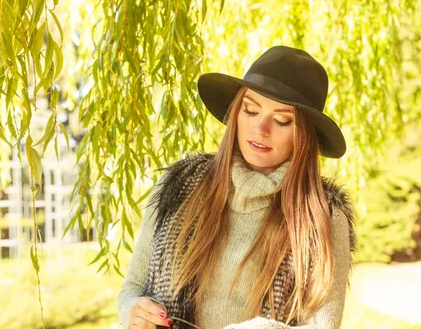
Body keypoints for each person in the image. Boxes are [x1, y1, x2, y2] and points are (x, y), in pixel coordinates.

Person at [118, 46, 356, 329]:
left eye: (281, 120)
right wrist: (133, 311)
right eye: (251, 110)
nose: (261, 128)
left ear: (304, 134)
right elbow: (132, 287)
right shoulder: (178, 189)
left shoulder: (323, 217)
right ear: (236, 112)